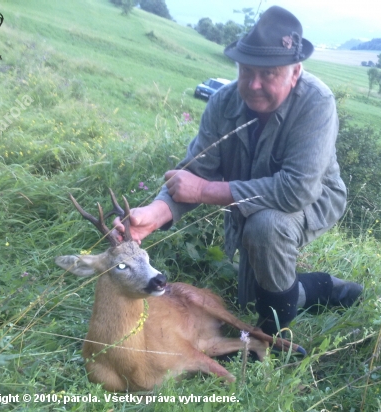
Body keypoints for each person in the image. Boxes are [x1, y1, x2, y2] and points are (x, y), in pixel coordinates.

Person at [115, 6, 362, 336]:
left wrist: (204, 191)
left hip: (314, 198)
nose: (254, 84)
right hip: (245, 200)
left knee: (266, 228)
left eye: (269, 74)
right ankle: (323, 288)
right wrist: (154, 215)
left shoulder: (317, 103)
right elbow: (195, 171)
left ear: (295, 71)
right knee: (252, 297)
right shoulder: (223, 103)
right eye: (246, 71)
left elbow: (296, 190)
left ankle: (270, 338)